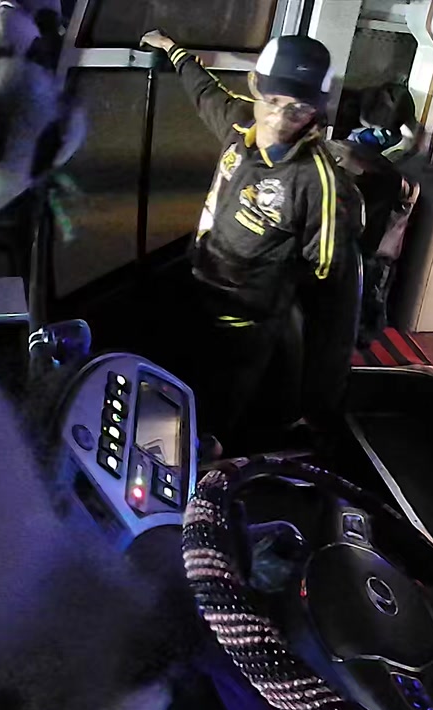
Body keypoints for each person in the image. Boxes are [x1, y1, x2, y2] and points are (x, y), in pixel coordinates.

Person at [140, 29, 364, 446]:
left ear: (315, 111)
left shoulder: (319, 183)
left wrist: (321, 399)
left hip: (244, 326)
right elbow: (204, 92)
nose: (280, 119)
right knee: (170, 389)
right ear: (255, 86)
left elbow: (329, 283)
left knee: (211, 420)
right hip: (197, 286)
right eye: (273, 101)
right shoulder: (239, 121)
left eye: (298, 108)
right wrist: (172, 49)